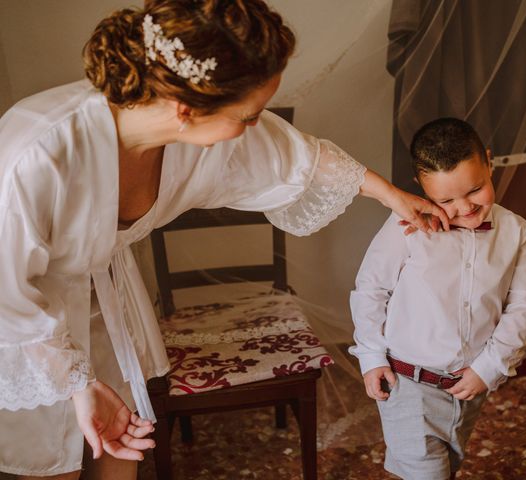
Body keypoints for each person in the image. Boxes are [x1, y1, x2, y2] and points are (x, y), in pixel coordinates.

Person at [0, 1, 451, 479]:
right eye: (249, 114)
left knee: (118, 460)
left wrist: (391, 195)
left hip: (106, 314)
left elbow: (290, 153)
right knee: (54, 466)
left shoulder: (181, 128)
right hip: (25, 333)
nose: (255, 125)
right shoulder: (34, 156)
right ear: (187, 108)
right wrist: (75, 382)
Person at [349, 117, 526, 480]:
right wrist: (372, 355)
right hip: (407, 382)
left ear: (488, 162)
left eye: (475, 190)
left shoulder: (516, 232)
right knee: (428, 473)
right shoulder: (405, 226)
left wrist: (488, 367)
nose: (464, 207)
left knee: (448, 466)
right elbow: (371, 290)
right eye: (446, 200)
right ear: (421, 188)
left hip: (469, 386)